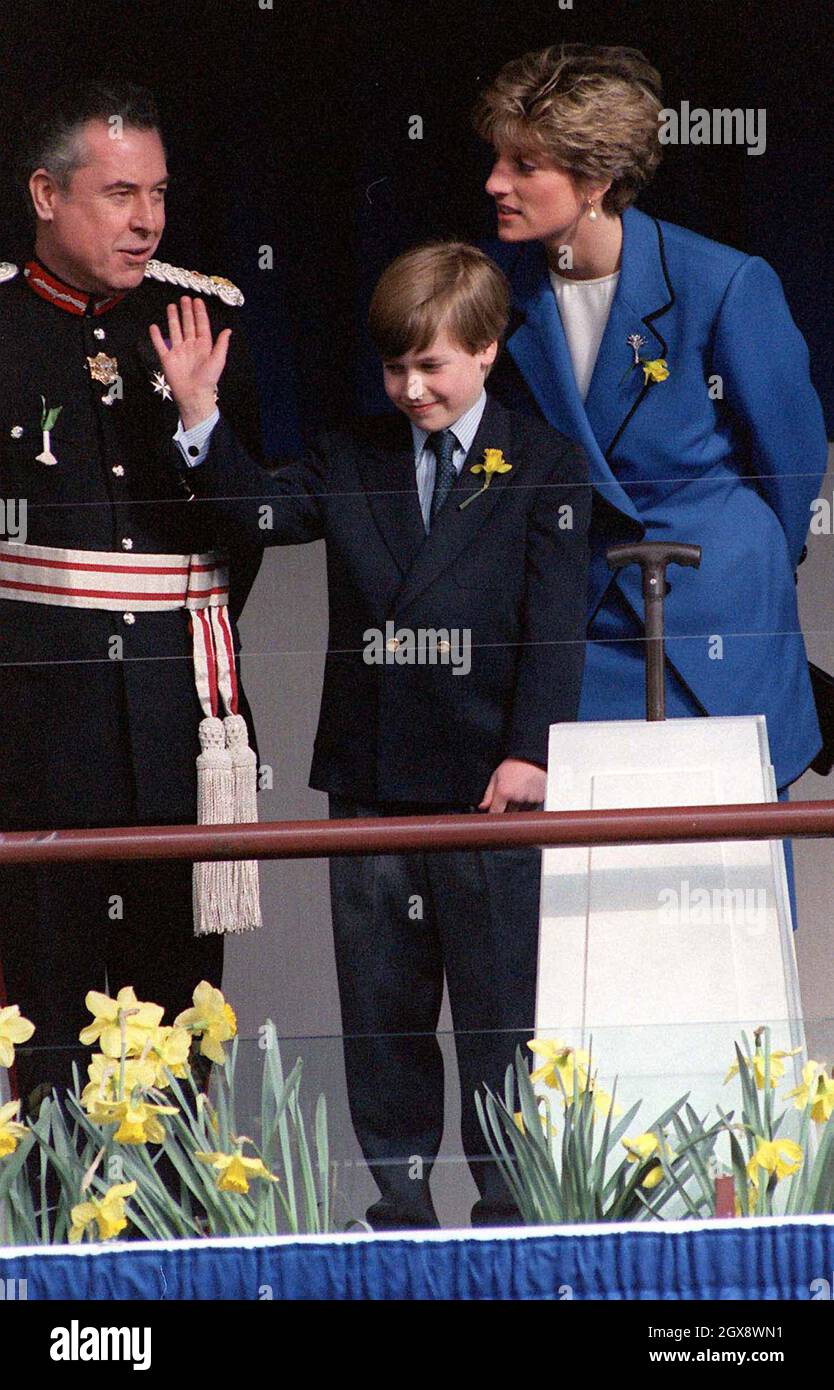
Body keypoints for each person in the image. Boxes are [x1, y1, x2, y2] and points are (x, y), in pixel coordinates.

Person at [150, 242, 591, 1228]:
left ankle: (511, 1211)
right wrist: (199, 418)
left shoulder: (547, 465)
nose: (411, 387)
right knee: (384, 1018)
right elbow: (255, 511)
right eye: (395, 367)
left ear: (487, 349)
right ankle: (398, 1207)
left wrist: (531, 754)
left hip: (493, 786)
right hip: (377, 786)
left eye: (432, 365)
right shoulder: (352, 455)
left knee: (498, 1023)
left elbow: (557, 629)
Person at [473, 44, 828, 813]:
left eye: (524, 165)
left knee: (733, 899)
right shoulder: (497, 300)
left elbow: (792, 468)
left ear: (596, 179)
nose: (495, 183)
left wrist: (737, 565)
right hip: (583, 633)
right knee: (598, 898)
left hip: (719, 630)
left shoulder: (724, 282)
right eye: (498, 160)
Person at [0, 80, 264, 1113]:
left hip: (175, 716)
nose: (146, 217)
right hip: (35, 718)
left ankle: (175, 1245)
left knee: (178, 1012)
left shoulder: (207, 314)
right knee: (53, 1013)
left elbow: (250, 527)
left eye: (156, 191)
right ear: (45, 194)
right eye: (118, 193)